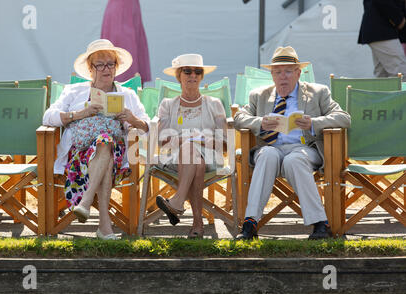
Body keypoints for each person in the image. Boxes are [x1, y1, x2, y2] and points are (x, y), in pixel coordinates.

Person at [234, 46, 351, 240]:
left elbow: (343, 118)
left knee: (294, 160)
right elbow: (239, 118)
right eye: (278, 72)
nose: (283, 77)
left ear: (298, 73)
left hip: (304, 149)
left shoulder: (318, 92)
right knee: (266, 156)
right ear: (272, 75)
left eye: (288, 71)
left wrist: (314, 123)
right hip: (272, 148)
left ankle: (320, 224)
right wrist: (260, 123)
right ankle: (250, 223)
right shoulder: (259, 95)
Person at [42, 39, 149, 240]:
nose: (106, 69)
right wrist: (80, 113)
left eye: (111, 64)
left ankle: (86, 201)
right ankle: (104, 225)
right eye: (100, 64)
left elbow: (149, 126)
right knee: (105, 147)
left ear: (116, 68)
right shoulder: (74, 91)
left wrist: (133, 119)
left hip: (116, 155)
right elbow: (47, 117)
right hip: (79, 157)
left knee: (105, 142)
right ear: (91, 69)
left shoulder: (128, 94)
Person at [155, 54, 227, 239]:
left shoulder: (214, 104)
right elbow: (160, 140)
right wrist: (187, 138)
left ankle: (178, 202)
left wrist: (200, 140)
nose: (192, 75)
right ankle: (197, 222)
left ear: (202, 76)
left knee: (194, 154)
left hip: (210, 155)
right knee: (195, 159)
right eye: (187, 71)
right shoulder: (167, 105)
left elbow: (224, 143)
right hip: (174, 157)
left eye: (197, 71)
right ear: (179, 76)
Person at [358, 0, 406, 77]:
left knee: (382, 74)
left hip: (380, 30)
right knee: (401, 73)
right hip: (382, 30)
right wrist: (399, 20)